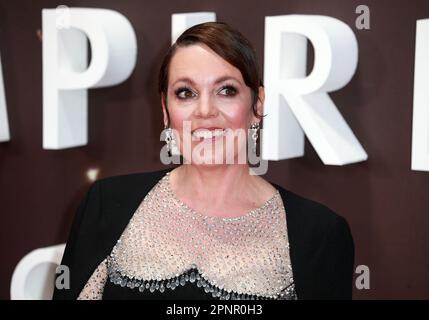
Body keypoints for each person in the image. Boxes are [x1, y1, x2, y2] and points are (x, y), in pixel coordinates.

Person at [52, 22, 354, 300]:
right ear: (166, 110)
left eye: (226, 90)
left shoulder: (319, 234)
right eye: (186, 92)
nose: (205, 110)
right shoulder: (106, 205)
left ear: (257, 104)